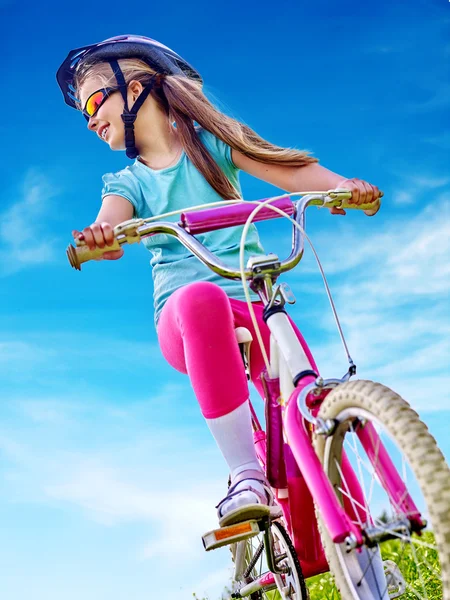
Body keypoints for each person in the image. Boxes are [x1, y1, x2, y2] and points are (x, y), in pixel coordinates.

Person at [57, 35, 381, 528]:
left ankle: (362, 534)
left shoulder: (214, 147)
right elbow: (113, 221)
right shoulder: (128, 183)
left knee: (309, 407)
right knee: (200, 298)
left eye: (96, 102)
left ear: (140, 87)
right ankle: (245, 475)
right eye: (85, 115)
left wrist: (343, 189)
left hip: (252, 296)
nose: (92, 120)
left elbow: (289, 172)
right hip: (184, 316)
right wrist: (101, 236)